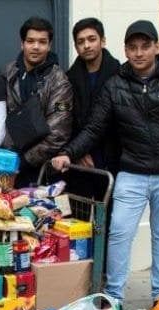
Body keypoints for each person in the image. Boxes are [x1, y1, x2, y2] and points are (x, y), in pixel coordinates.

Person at [52, 20, 159, 304]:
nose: (138, 53)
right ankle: (113, 299)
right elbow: (94, 127)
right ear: (125, 49)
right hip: (132, 173)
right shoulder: (116, 85)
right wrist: (69, 152)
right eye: (132, 47)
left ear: (156, 47)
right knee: (119, 233)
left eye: (145, 47)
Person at [1, 16, 73, 187]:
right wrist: (8, 158)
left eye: (42, 42)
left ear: (49, 45)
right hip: (6, 165)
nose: (35, 47)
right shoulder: (6, 72)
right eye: (30, 41)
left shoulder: (59, 81)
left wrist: (24, 161)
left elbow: (58, 133)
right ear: (22, 43)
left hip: (41, 171)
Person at [65, 17, 121, 199]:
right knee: (78, 220)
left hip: (112, 161)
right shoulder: (68, 78)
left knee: (105, 221)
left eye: (92, 39)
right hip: (78, 161)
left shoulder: (120, 75)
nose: (86, 45)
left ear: (103, 41)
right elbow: (64, 117)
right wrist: (78, 152)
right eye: (81, 42)